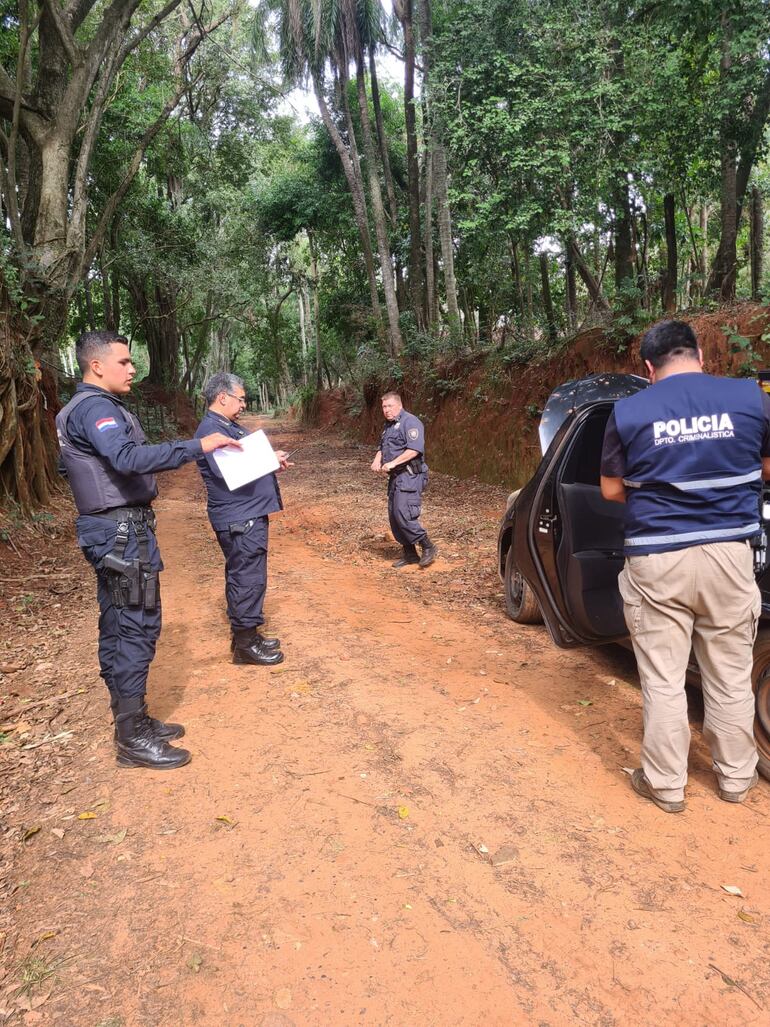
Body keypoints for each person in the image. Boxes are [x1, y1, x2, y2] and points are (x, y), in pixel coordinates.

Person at [600, 319, 769, 812]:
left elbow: (611, 489)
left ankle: (666, 785)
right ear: (700, 354)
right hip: (729, 557)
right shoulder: (750, 398)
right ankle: (737, 779)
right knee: (731, 676)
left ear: (648, 367)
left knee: (663, 679)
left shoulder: (629, 411)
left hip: (657, 558)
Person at [57, 330, 240, 771]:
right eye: (123, 361)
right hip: (120, 533)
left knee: (119, 620)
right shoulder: (96, 407)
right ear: (96, 365)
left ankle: (130, 717)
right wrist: (199, 445)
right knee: (135, 624)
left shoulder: (81, 408)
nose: (132, 368)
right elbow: (126, 459)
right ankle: (131, 735)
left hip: (112, 530)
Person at [195, 373, 289, 666]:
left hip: (246, 512)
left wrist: (271, 459)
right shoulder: (211, 430)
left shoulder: (225, 426)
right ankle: (245, 645)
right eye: (241, 398)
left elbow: (243, 459)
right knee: (246, 577)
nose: (244, 404)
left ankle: (247, 635)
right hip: (239, 516)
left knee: (247, 574)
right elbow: (231, 470)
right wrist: (268, 460)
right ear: (223, 397)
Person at [370, 392, 437, 568]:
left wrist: (392, 463)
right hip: (396, 477)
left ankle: (427, 546)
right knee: (394, 515)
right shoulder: (389, 426)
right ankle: (410, 553)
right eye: (384, 407)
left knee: (402, 512)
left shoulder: (411, 422)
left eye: (389, 406)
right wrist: (378, 459)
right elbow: (382, 446)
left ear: (399, 405)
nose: (386, 410)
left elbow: (414, 450)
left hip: (410, 475)